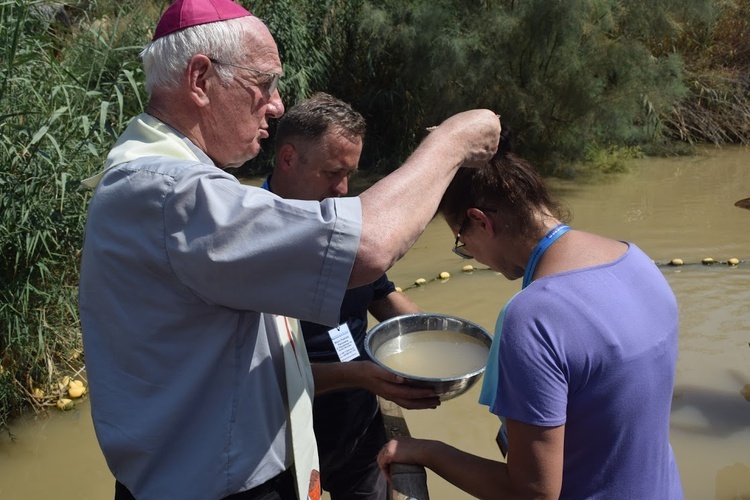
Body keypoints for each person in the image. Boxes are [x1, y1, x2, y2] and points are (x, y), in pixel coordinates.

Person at [77, 0, 501, 499]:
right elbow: (366, 246)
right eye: (264, 83)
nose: (277, 105)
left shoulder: (159, 177)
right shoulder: (173, 191)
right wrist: (451, 143)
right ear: (200, 79)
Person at [377, 130, 684, 499]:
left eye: (462, 241)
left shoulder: (533, 318)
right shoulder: (638, 261)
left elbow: (534, 494)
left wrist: (428, 451)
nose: (470, 253)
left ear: (481, 222)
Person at [264, 92, 422, 499]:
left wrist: (428, 338)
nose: (344, 189)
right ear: (287, 158)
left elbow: (381, 295)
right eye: (333, 172)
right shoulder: (252, 237)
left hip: (362, 431)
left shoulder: (342, 221)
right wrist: (358, 374)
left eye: (351, 172)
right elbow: (263, 376)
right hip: (285, 444)